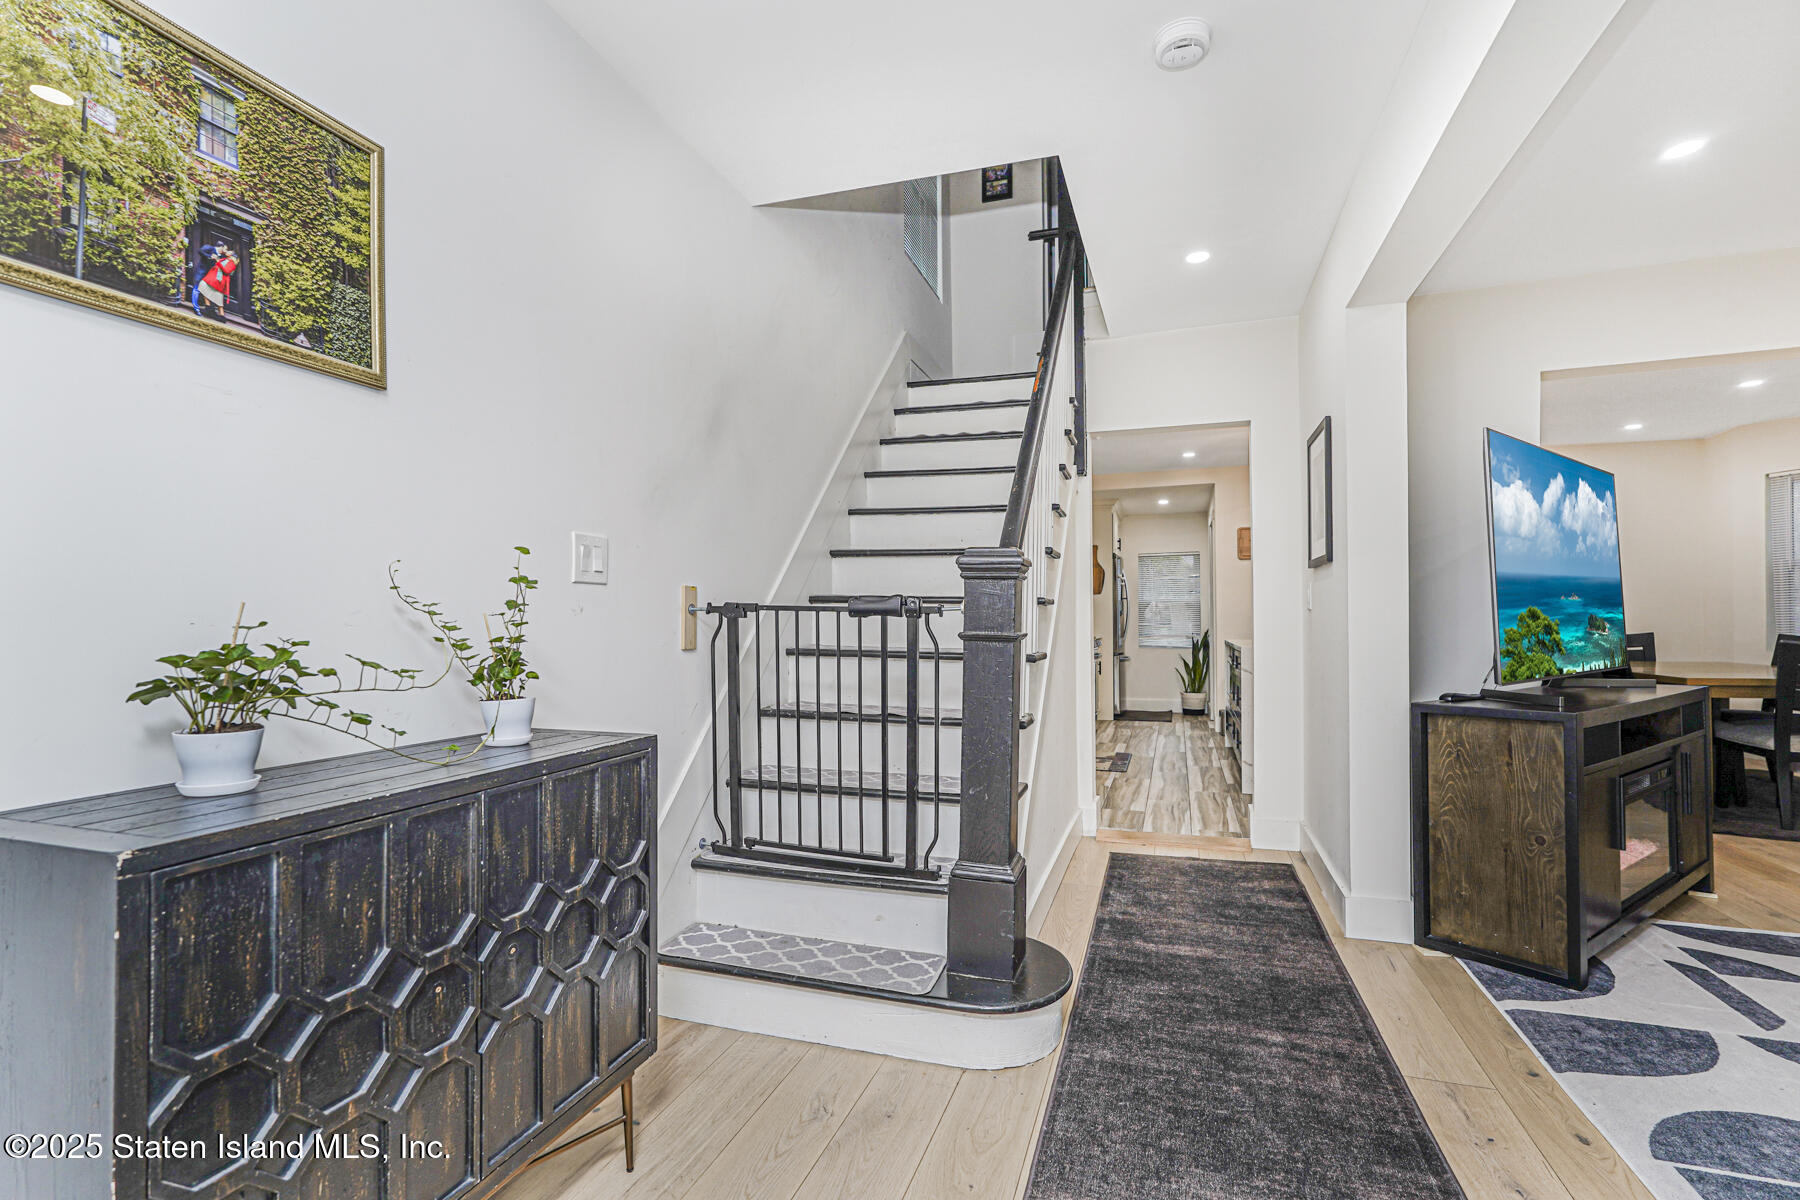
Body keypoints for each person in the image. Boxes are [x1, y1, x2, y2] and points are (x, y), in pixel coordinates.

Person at [196, 245, 238, 322]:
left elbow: (226, 271)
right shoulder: (225, 259)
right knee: (203, 286)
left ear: (232, 255)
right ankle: (209, 307)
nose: (227, 251)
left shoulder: (232, 263)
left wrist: (217, 260)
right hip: (213, 278)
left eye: (230, 251)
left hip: (219, 281)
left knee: (218, 298)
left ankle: (221, 315)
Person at [189, 244, 218, 316]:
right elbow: (200, 251)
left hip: (208, 275)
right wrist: (210, 256)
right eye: (224, 249)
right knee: (196, 289)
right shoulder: (210, 247)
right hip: (201, 272)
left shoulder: (218, 255)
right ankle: (196, 309)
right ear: (221, 247)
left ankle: (208, 309)